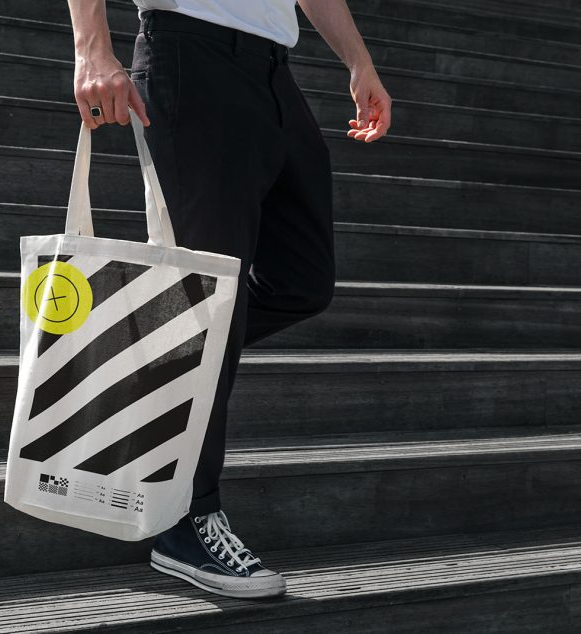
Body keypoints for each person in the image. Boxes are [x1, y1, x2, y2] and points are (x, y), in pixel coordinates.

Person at [66, 0, 392, 599]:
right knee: (211, 296)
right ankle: (184, 521)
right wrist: (92, 46)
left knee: (301, 281)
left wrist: (358, 63)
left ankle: (143, 358)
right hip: (190, 53)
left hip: (272, 69)